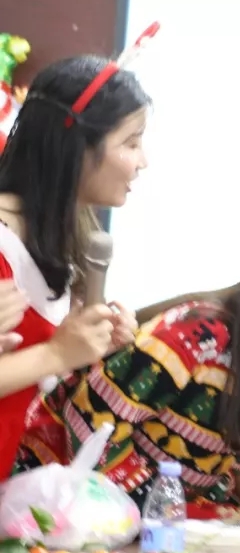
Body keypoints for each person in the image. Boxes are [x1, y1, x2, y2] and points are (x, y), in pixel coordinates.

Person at [15, 170, 240, 549]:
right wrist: (162, 509)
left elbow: (230, 459)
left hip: (162, 517)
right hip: (60, 506)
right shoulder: (199, 336)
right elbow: (89, 416)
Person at [0, 55, 149, 479]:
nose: (143, 161)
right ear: (77, 148)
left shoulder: (59, 235)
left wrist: (86, 342)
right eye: (131, 143)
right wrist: (57, 352)